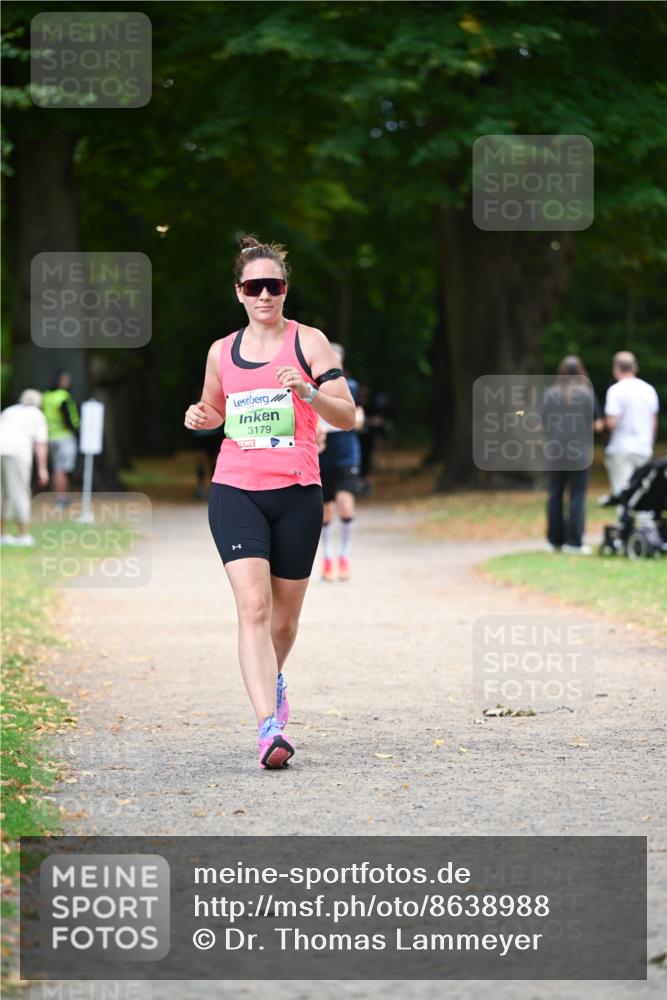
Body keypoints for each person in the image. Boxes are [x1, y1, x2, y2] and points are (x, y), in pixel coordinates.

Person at [184, 235, 355, 770]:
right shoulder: (220, 350)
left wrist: (308, 392)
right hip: (235, 488)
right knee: (253, 608)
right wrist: (200, 418)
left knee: (283, 621)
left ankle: (272, 681)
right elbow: (215, 411)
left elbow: (347, 415)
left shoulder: (310, 343)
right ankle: (268, 728)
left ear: (284, 290)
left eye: (273, 286)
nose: (264, 295)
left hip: (298, 492)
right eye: (254, 286)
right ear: (239, 292)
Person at [542, 356, 604, 555]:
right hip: (579, 452)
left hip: (556, 451)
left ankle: (554, 540)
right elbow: (597, 424)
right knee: (577, 495)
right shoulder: (586, 394)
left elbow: (542, 423)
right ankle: (574, 542)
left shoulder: (550, 394)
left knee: (554, 495)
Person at [317, 343, 364, 581]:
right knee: (325, 512)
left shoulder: (351, 387)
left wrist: (349, 418)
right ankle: (327, 558)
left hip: (346, 455)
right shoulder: (312, 389)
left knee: (345, 504)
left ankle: (344, 556)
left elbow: (358, 418)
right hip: (321, 456)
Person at [604, 351, 659, 496]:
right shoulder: (649, 390)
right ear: (634, 367)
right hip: (643, 447)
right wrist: (649, 442)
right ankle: (644, 518)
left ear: (616, 368)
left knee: (622, 492)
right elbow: (653, 421)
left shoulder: (615, 391)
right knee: (643, 492)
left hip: (621, 448)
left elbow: (611, 423)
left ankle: (624, 518)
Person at [0, 389, 50, 546]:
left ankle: (2, 535)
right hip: (17, 454)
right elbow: (40, 444)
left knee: (2, 494)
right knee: (20, 492)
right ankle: (23, 535)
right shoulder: (37, 414)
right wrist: (43, 469)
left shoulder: (10, 410)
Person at [42, 371, 80, 506]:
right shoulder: (63, 396)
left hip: (51, 437)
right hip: (64, 437)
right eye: (66, 380)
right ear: (60, 381)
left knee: (57, 468)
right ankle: (61, 498)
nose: (68, 382)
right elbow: (68, 419)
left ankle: (59, 496)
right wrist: (76, 430)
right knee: (62, 469)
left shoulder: (46, 396)